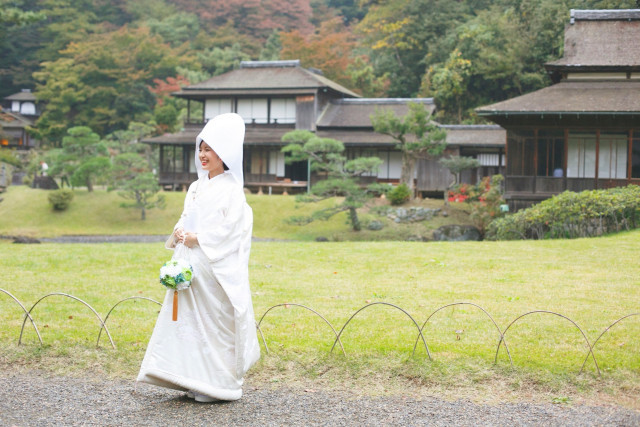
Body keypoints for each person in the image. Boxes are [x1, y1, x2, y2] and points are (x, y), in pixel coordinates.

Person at [137, 113, 260, 402]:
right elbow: (186, 217)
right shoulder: (196, 186)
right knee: (188, 322)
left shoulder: (232, 191)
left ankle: (219, 384)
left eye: (209, 149)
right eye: (201, 149)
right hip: (190, 262)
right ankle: (192, 377)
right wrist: (180, 232)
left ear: (223, 154)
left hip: (212, 267)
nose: (203, 155)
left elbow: (232, 231)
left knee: (214, 321)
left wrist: (199, 240)